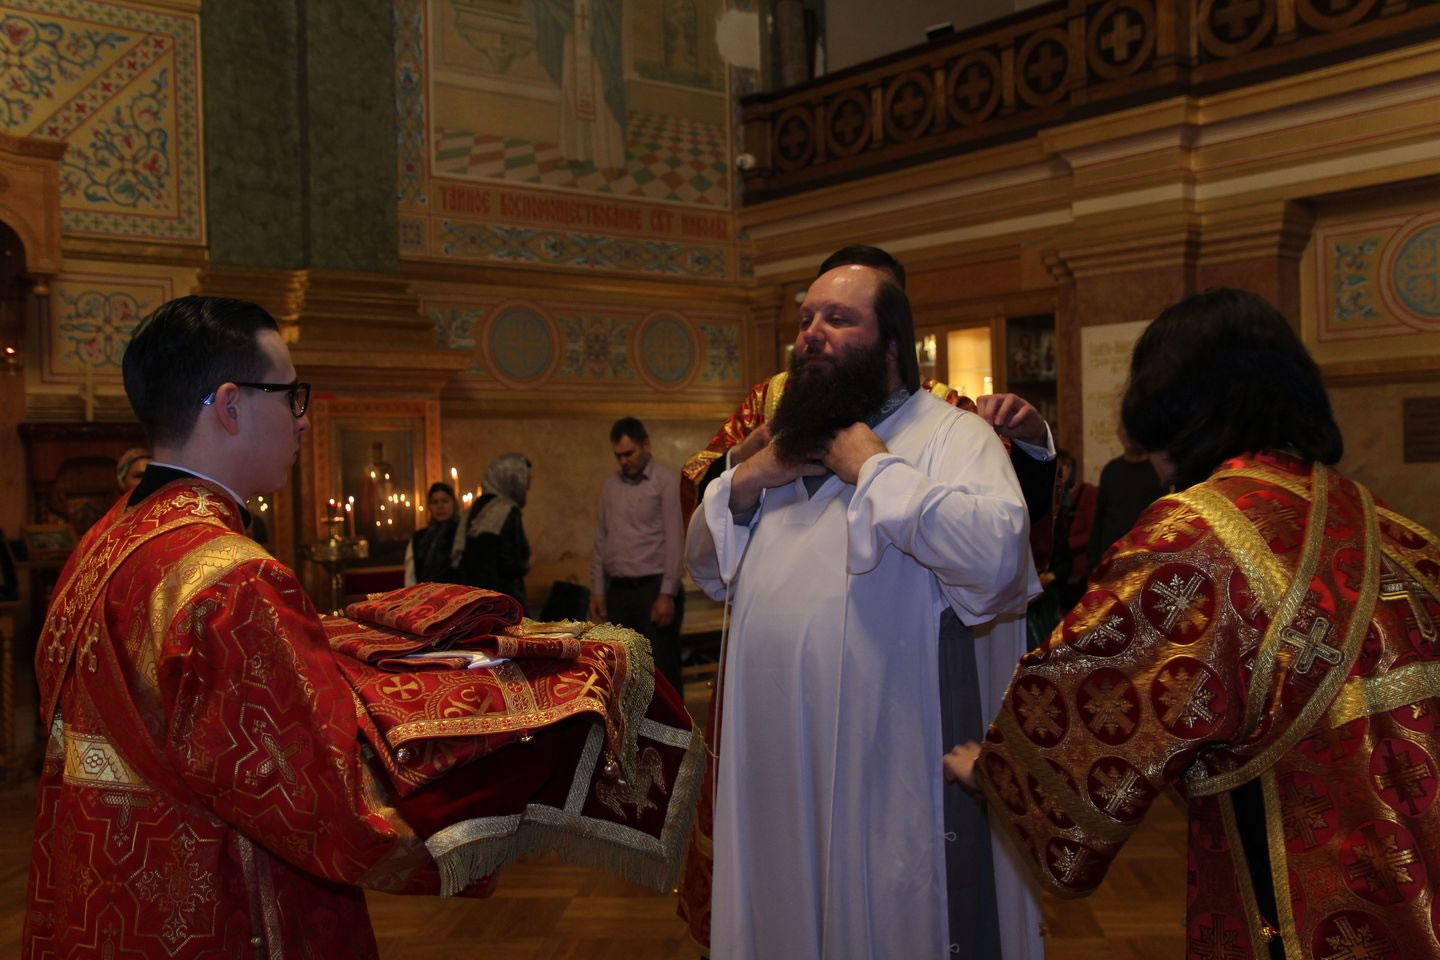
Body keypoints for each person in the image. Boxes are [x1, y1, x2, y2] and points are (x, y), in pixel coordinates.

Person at [946, 288, 1440, 960]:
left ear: (1172, 410)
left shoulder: (1198, 534)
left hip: (1311, 879)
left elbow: (1096, 688)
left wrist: (997, 771)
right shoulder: (1389, 522)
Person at [25, 296, 451, 958]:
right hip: (212, 906)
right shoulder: (234, 580)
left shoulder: (103, 542)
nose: (302, 420)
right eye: (290, 395)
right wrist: (487, 798)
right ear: (230, 406)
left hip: (101, 890)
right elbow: (320, 799)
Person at [675, 244, 1052, 957]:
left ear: (891, 345)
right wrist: (746, 479)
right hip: (774, 765)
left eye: (839, 319)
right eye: (806, 319)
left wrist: (875, 469)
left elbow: (999, 558)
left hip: (885, 761)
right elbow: (708, 567)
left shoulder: (953, 435)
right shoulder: (782, 439)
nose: (811, 334)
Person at [590, 417, 686, 697]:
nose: (623, 461)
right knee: (623, 672)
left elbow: (675, 539)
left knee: (662, 673)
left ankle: (672, 726)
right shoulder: (611, 486)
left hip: (653, 590)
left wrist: (667, 593)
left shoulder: (665, 482)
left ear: (646, 445)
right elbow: (602, 538)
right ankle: (631, 726)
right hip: (619, 591)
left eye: (629, 453)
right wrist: (598, 590)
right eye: (618, 455)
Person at [454, 454, 532, 604]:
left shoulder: (475, 508)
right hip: (501, 599)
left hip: (473, 597)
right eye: (526, 480)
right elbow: (510, 565)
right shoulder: (507, 510)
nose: (528, 487)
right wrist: (528, 563)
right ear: (511, 479)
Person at [1086, 426, 1163, 571]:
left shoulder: (1158, 470)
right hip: (1111, 558)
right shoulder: (1110, 470)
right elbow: (1100, 518)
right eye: (1124, 428)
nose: (1128, 434)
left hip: (1145, 559)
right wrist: (1093, 562)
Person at [404, 480, 461, 586]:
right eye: (435, 502)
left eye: (445, 501)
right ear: (429, 507)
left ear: (453, 503)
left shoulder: (462, 534)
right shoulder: (419, 538)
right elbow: (411, 577)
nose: (440, 506)